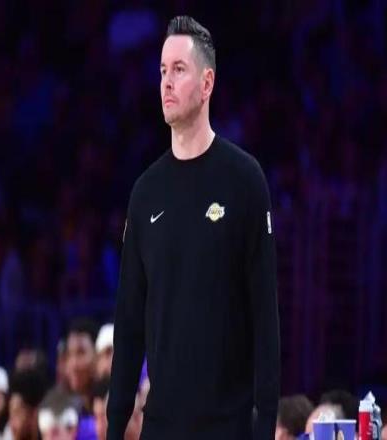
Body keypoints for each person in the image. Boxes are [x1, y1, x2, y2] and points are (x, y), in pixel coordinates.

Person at [107, 15, 280, 440]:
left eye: (179, 70)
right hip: (161, 426)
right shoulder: (145, 192)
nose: (166, 82)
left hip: (228, 426)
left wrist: (264, 425)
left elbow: (265, 317)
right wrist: (115, 427)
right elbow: (128, 322)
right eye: (162, 71)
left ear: (207, 84)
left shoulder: (244, 180)